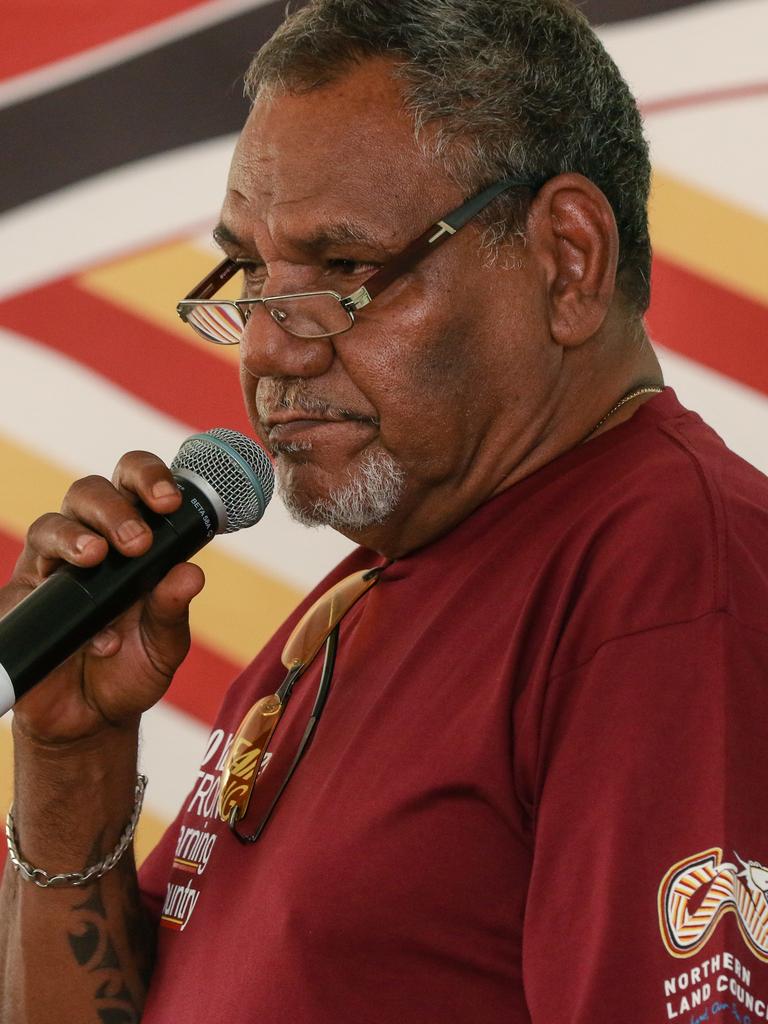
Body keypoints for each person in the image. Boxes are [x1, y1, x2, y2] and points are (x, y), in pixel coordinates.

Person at [2, 1, 768, 1021]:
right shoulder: (369, 588)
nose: (268, 347)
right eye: (249, 272)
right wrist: (74, 762)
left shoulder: (663, 570)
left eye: (345, 270)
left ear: (568, 258)